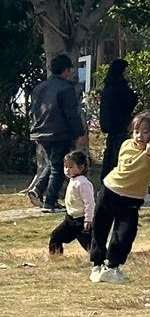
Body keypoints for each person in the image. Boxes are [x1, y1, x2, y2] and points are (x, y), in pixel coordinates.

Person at [90, 112, 150, 284]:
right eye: (136, 131)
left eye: (145, 132)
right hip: (110, 191)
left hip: (132, 199)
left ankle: (112, 266)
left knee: (125, 233)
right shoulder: (126, 144)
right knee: (100, 228)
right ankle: (96, 264)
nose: (139, 136)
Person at [29, 54, 88, 213]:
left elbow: (33, 110)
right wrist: (79, 132)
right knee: (58, 167)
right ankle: (50, 201)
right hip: (58, 131)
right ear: (66, 70)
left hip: (40, 131)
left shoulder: (39, 87)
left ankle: (38, 189)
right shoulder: (66, 88)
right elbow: (71, 113)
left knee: (53, 163)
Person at [48, 150, 95, 258]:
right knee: (56, 236)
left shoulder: (83, 183)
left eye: (71, 167)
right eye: (65, 167)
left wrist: (88, 219)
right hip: (70, 218)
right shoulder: (73, 180)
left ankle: (101, 257)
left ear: (81, 167)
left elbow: (89, 203)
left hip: (81, 220)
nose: (67, 170)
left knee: (90, 244)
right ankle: (55, 258)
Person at [98, 59, 138, 179]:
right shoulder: (119, 87)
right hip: (120, 127)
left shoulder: (108, 87)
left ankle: (106, 180)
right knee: (117, 157)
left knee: (110, 156)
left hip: (110, 128)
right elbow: (131, 100)